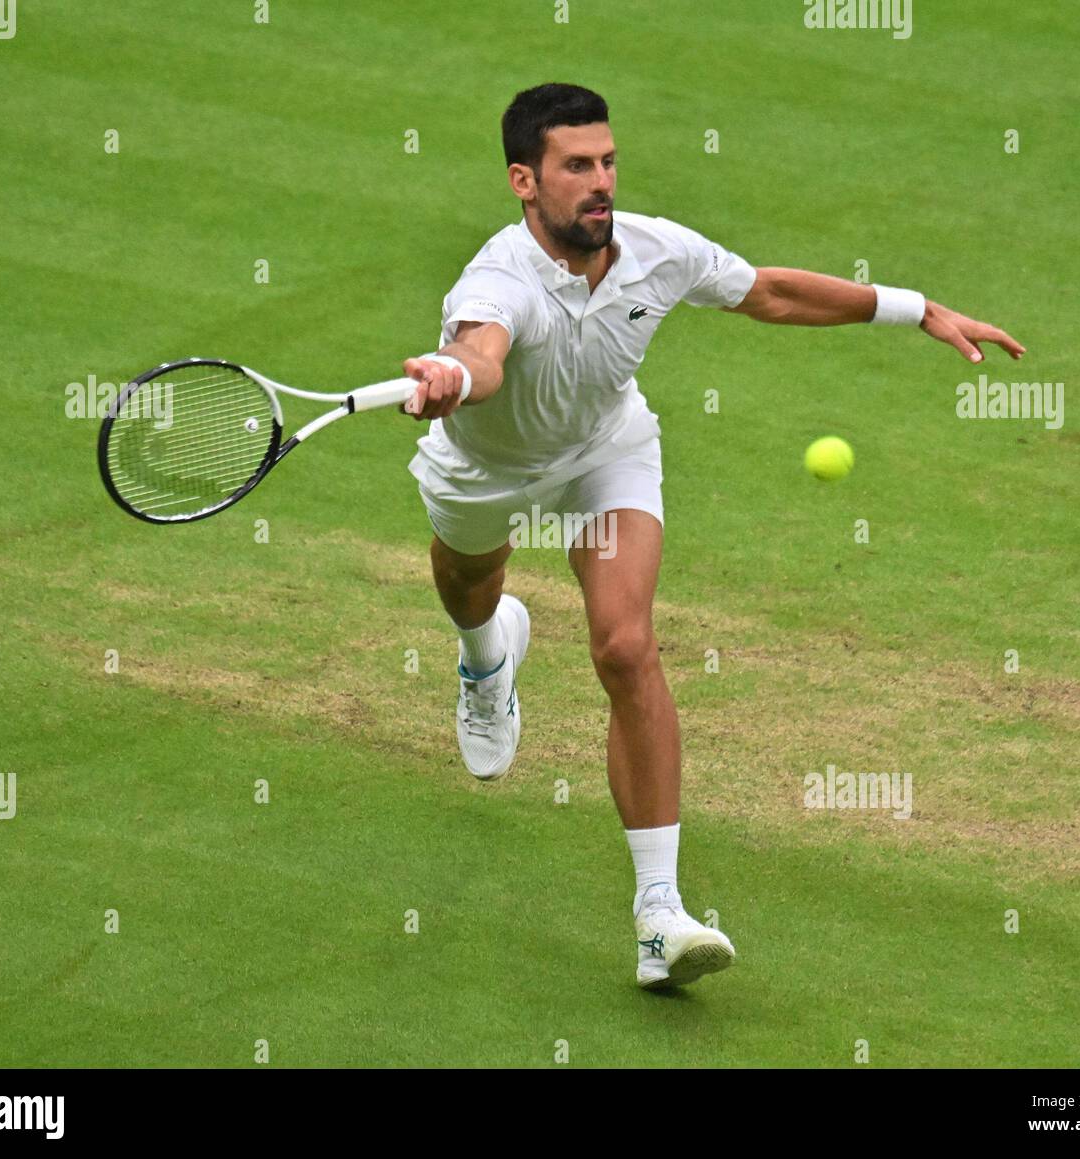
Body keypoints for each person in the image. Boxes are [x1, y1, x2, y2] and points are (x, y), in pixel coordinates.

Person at [400, 83, 1024, 990]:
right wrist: (455, 372)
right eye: (577, 166)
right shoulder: (494, 282)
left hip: (604, 453)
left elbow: (765, 292)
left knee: (624, 644)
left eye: (608, 161)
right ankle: (486, 659)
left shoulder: (658, 251)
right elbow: (485, 352)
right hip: (486, 470)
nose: (601, 181)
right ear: (523, 181)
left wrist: (914, 306)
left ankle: (660, 915)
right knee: (468, 589)